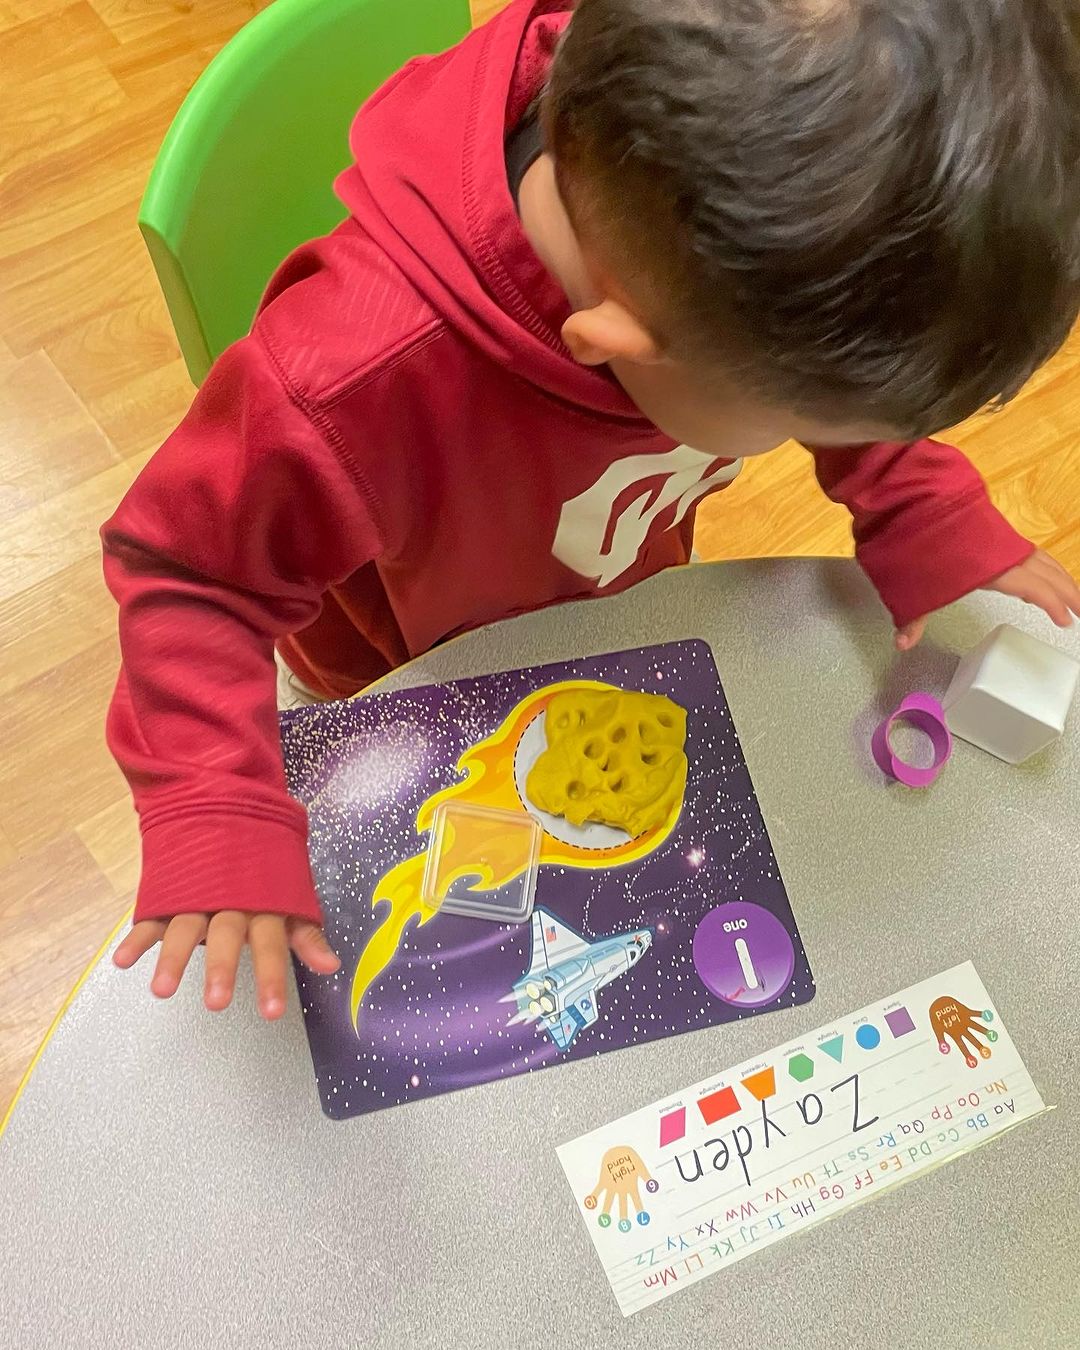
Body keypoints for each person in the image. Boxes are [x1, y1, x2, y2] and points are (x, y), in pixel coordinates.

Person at [103, 0, 1080, 1018]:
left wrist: (914, 503)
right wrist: (218, 804)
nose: (843, 437)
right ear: (616, 344)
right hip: (385, 665)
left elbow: (821, 350)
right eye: (805, 417)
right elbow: (188, 575)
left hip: (600, 597)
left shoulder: (698, 197)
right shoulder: (348, 380)